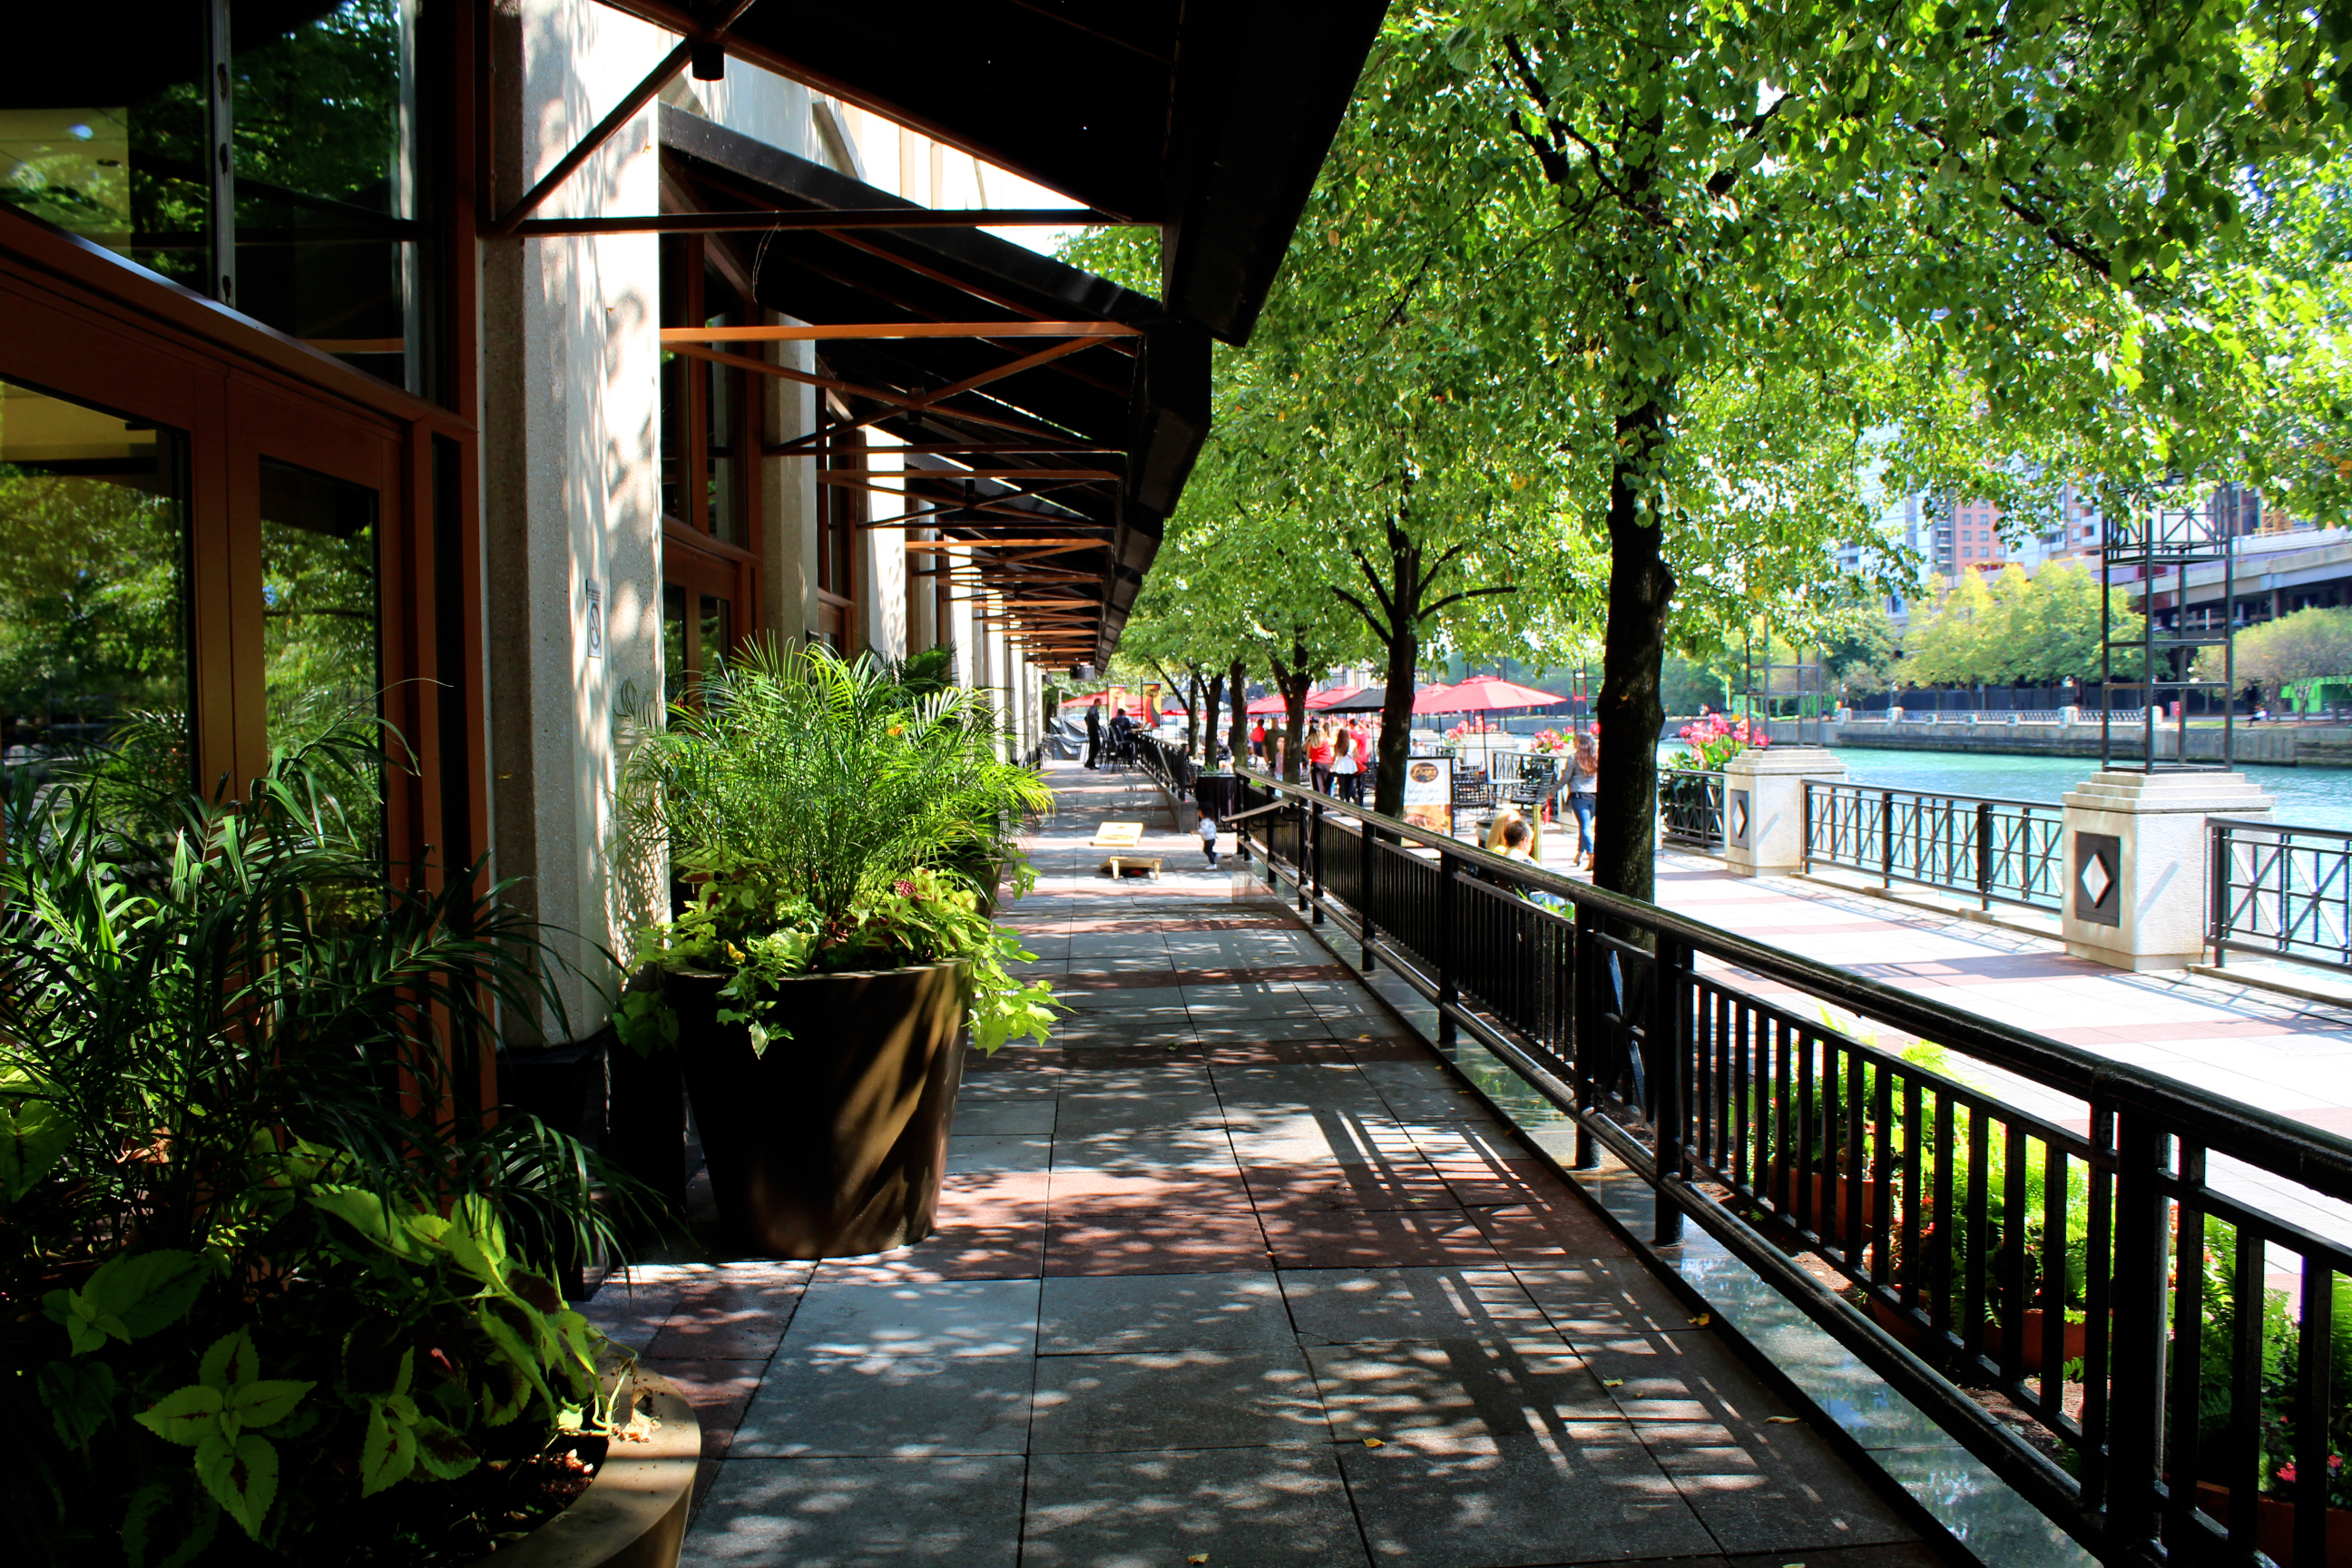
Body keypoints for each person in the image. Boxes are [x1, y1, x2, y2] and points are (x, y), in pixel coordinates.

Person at [1566, 733, 1599, 870]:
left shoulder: (1574, 758)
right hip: (1595, 796)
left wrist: (1552, 791)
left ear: (1580, 743)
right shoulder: (1596, 758)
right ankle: (1579, 855)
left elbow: (1565, 777)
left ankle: (1592, 857)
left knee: (1585, 826)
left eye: (1575, 740)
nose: (1573, 742)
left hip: (1579, 796)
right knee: (1585, 826)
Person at [1331, 727, 1361, 806]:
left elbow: (1335, 756)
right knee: (1349, 785)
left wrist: (1331, 765)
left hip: (1340, 766)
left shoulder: (1337, 744)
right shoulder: (1352, 742)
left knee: (1342, 786)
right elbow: (1357, 755)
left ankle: (1342, 801)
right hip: (1350, 766)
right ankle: (1348, 801)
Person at [1308, 720, 1336, 795]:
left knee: (1318, 788)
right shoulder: (1326, 741)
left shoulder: (1311, 743)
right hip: (1327, 764)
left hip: (1316, 764)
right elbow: (1335, 743)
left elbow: (1308, 755)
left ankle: (1319, 805)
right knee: (1327, 787)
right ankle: (1327, 805)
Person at [1084, 702, 1102, 770]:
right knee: (1096, 746)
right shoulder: (1094, 708)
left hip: (1092, 730)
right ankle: (1090, 762)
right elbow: (1091, 715)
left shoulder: (1091, 708)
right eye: (1100, 702)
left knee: (1093, 747)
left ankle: (1091, 763)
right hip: (1094, 730)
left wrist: (1088, 724)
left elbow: (1085, 718)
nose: (1101, 704)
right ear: (1097, 702)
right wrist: (1096, 724)